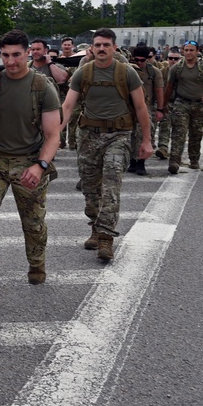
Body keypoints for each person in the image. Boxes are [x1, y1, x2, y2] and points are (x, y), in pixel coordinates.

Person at [0, 30, 60, 318]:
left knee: (33, 224)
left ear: (28, 53)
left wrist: (40, 166)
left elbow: (53, 135)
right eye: (5, 55)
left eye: (16, 55)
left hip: (29, 161)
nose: (10, 61)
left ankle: (36, 261)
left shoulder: (42, 87)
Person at [61, 28, 152, 262]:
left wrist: (146, 140)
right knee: (91, 190)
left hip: (118, 137)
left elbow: (141, 108)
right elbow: (68, 107)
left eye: (106, 45)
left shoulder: (127, 73)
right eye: (98, 45)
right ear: (91, 48)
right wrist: (53, 135)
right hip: (89, 137)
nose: (102, 49)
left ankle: (106, 238)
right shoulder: (83, 73)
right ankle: (95, 226)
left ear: (114, 48)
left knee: (111, 186)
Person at [164, 40, 203, 173]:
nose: (188, 53)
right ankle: (174, 161)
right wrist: (163, 105)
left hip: (199, 104)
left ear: (197, 51)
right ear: (183, 51)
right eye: (186, 50)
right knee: (179, 132)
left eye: (191, 50)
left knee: (196, 133)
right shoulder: (176, 68)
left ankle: (194, 159)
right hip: (181, 103)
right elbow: (169, 88)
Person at [128, 46, 165, 176]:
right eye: (136, 60)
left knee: (142, 133)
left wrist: (160, 109)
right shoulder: (128, 70)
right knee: (129, 134)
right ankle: (132, 160)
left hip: (146, 107)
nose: (139, 63)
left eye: (142, 60)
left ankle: (141, 162)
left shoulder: (154, 72)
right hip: (128, 108)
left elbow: (159, 91)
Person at [154, 50, 182, 159]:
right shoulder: (161, 72)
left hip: (181, 102)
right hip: (167, 101)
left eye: (176, 59)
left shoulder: (183, 72)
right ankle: (163, 147)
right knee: (165, 124)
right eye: (170, 58)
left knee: (179, 128)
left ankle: (176, 150)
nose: (173, 61)